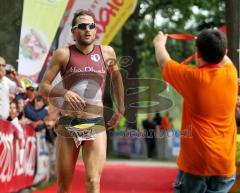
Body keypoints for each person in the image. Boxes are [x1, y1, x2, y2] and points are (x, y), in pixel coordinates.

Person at [39, 9, 124, 193]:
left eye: (91, 26)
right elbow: (43, 86)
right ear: (73, 32)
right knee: (64, 185)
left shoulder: (107, 52)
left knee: (94, 180)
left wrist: (120, 108)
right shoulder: (63, 54)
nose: (88, 29)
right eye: (82, 26)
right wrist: (64, 92)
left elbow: (116, 78)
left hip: (95, 122)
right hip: (69, 123)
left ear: (95, 30)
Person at [153, 29, 238, 193]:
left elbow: (164, 61)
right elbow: (224, 58)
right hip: (224, 166)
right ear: (225, 52)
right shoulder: (231, 73)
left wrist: (159, 43)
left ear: (197, 52)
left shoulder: (192, 78)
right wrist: (212, 42)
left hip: (196, 165)